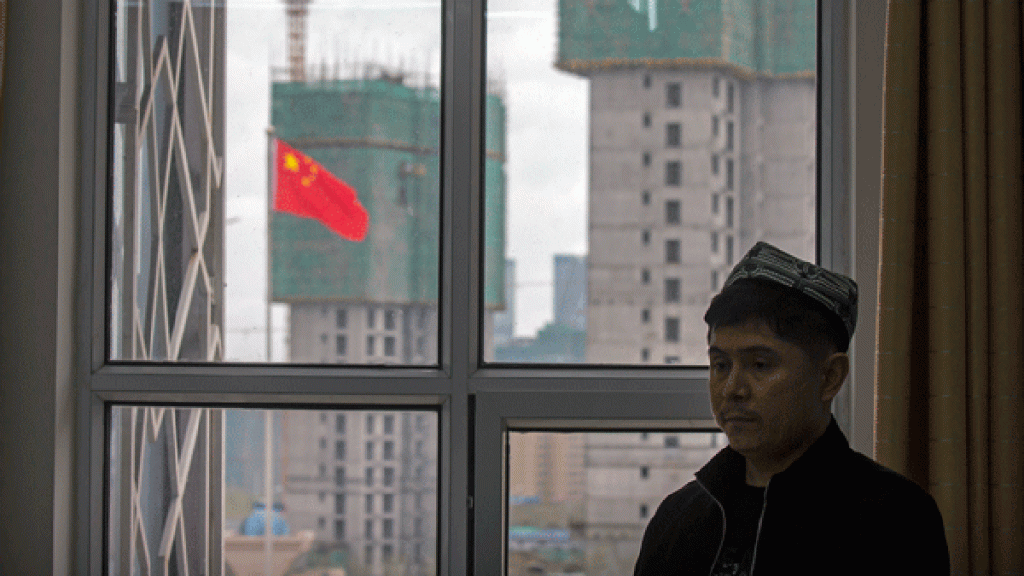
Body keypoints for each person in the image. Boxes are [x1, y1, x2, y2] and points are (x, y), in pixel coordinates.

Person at [633, 241, 950, 576]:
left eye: (759, 365)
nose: (732, 390)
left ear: (829, 378)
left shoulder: (894, 519)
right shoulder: (679, 518)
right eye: (721, 365)